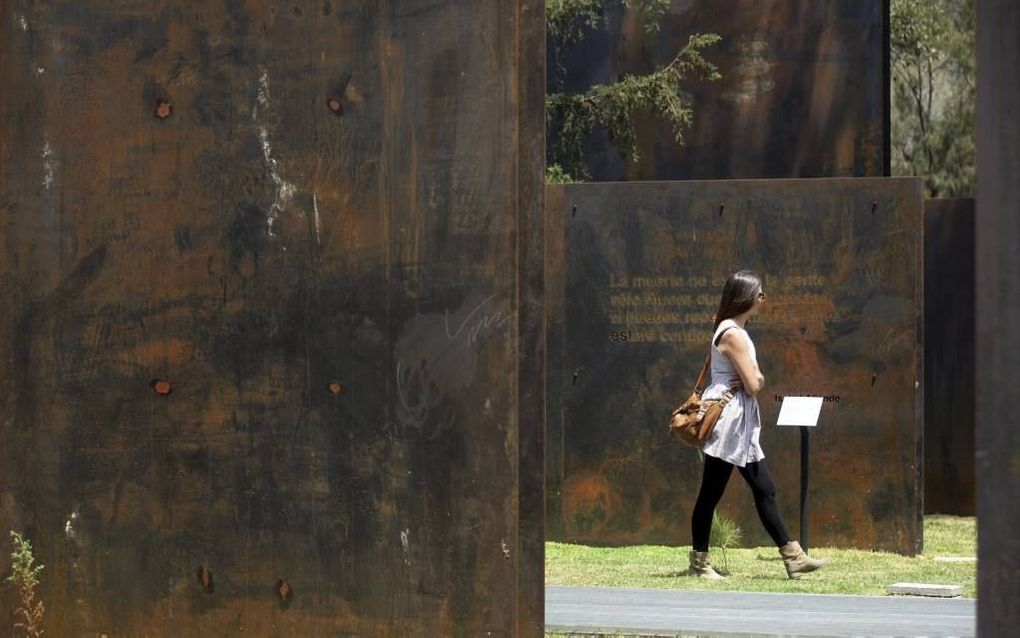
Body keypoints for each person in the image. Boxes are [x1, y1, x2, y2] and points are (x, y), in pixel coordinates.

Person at [687, 270, 828, 580]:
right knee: (711, 494)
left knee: (765, 488)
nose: (764, 299)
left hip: (739, 424)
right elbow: (754, 384)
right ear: (746, 297)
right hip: (730, 423)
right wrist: (759, 377)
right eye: (761, 294)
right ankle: (699, 565)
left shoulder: (731, 328)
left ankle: (794, 557)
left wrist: (753, 377)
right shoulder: (733, 333)